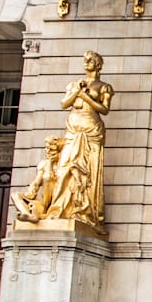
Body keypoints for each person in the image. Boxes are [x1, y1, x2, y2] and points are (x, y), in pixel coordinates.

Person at [52, 50, 113, 228]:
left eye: (90, 60)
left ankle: (86, 210)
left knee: (88, 170)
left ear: (98, 65)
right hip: (73, 127)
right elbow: (64, 104)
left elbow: (104, 109)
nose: (86, 62)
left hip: (91, 127)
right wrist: (77, 91)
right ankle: (60, 209)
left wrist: (85, 96)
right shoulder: (74, 84)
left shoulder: (104, 87)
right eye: (85, 60)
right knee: (64, 167)